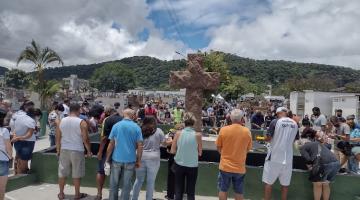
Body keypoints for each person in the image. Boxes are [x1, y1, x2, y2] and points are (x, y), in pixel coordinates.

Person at [56, 103, 92, 200]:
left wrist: (58, 149)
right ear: (78, 110)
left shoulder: (61, 121)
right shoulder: (81, 122)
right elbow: (85, 139)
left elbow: (58, 137)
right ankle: (77, 194)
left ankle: (61, 193)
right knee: (77, 173)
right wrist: (89, 151)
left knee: (62, 172)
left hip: (64, 149)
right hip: (77, 150)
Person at [105, 109, 143, 200]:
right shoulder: (137, 127)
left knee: (114, 183)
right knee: (126, 184)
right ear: (133, 116)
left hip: (116, 158)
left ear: (123, 114)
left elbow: (111, 143)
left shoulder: (116, 126)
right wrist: (138, 160)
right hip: (130, 159)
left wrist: (107, 159)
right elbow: (140, 145)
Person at [215, 109, 252, 200]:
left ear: (230, 118)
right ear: (241, 119)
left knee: (223, 190)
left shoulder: (223, 130)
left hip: (225, 166)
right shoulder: (247, 132)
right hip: (239, 167)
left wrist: (224, 154)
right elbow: (248, 148)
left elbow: (218, 147)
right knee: (239, 192)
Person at [263, 107, 299, 200]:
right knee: (285, 185)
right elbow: (295, 139)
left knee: (268, 183)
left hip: (274, 158)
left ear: (279, 113)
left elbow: (269, 138)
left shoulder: (275, 122)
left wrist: (264, 138)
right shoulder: (295, 123)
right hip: (288, 159)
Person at [132, 116, 171, 200]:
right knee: (151, 181)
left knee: (138, 180)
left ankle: (134, 198)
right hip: (154, 158)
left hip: (140, 157)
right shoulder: (159, 131)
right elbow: (164, 144)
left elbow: (135, 144)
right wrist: (171, 141)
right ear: (153, 122)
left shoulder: (139, 130)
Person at [300, 130, 340, 200]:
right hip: (335, 163)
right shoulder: (318, 144)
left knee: (317, 184)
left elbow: (308, 160)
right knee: (325, 184)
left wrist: (310, 168)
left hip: (323, 163)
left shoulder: (303, 147)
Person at [170, 112, 202, 200]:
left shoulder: (178, 133)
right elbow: (200, 153)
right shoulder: (198, 135)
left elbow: (172, 150)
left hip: (179, 164)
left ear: (184, 122)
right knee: (191, 192)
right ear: (193, 123)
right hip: (192, 166)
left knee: (178, 191)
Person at [95, 108, 122, 200]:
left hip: (107, 149)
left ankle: (99, 194)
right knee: (117, 173)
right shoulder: (123, 119)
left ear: (107, 113)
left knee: (101, 171)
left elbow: (104, 138)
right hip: (120, 150)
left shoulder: (107, 120)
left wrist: (100, 151)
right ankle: (114, 195)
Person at [10, 101, 36, 174]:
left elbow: (12, 128)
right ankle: (21, 177)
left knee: (18, 158)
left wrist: (15, 136)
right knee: (23, 162)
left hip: (17, 141)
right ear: (26, 107)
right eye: (31, 107)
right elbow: (29, 134)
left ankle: (16, 174)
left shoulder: (15, 115)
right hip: (27, 142)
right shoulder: (29, 119)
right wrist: (18, 138)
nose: (32, 108)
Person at [0, 109, 12, 200]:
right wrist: (10, 156)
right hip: (3, 160)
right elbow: (8, 147)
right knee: (2, 188)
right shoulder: (4, 131)